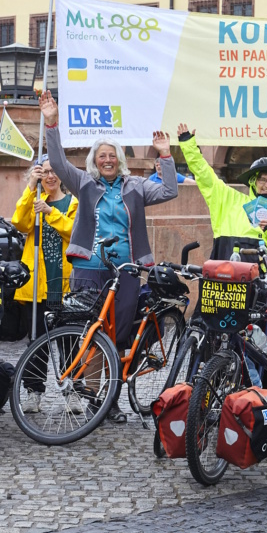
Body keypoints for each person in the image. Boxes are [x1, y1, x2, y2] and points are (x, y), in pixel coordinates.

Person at [38, 90, 177, 423]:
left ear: (120, 159)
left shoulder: (136, 186)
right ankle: (91, 399)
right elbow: (57, 162)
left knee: (116, 336)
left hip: (126, 271)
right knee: (89, 335)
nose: (107, 160)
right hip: (90, 267)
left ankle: (110, 401)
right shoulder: (84, 183)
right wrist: (51, 123)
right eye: (102, 155)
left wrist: (166, 156)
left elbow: (170, 190)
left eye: (112, 155)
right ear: (94, 160)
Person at [12, 155, 78, 414]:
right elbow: (19, 221)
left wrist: (51, 213)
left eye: (54, 171)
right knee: (36, 342)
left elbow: (76, 231)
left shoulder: (73, 203)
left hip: (64, 284)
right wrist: (30, 187)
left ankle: (72, 391)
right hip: (36, 284)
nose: (50, 177)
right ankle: (33, 392)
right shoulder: (34, 199)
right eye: (44, 172)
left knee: (69, 343)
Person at [177, 124, 267, 259]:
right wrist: (189, 147)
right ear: (253, 182)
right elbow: (205, 177)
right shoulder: (230, 201)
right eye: (262, 180)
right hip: (226, 276)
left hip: (266, 279)